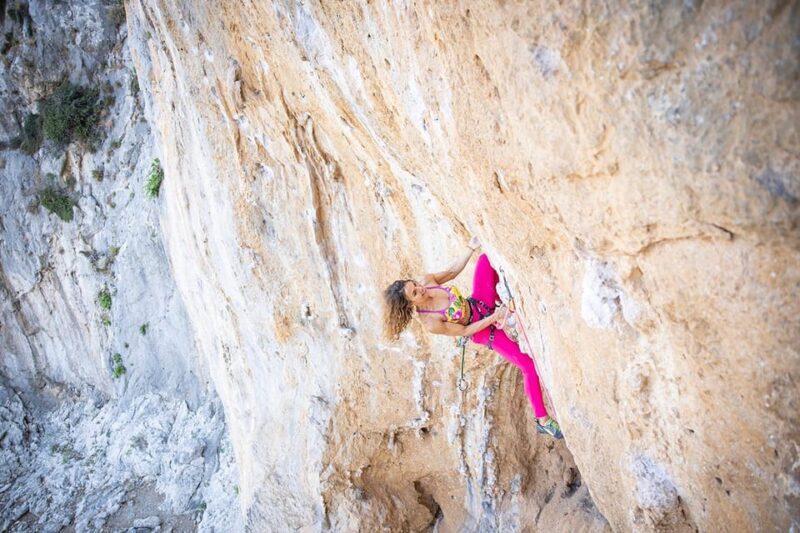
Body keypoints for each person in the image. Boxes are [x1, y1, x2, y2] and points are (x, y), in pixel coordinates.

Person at [383, 237, 563, 439]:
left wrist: (471, 247)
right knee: (527, 364)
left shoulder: (427, 281)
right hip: (480, 330)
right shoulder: (431, 322)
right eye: (415, 292)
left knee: (486, 260)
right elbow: (465, 331)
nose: (420, 288)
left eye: (414, 284)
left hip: (479, 303)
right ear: (410, 304)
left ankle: (501, 301)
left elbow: (451, 272)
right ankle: (542, 420)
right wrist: (496, 316)